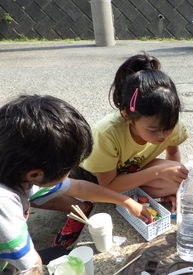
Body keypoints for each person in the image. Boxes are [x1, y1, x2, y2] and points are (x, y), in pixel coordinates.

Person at [0, 94, 152, 274]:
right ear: (35, 173)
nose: (69, 173)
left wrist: (126, 201)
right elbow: (31, 267)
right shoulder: (5, 204)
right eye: (68, 169)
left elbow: (79, 187)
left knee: (61, 253)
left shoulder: (18, 170)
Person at [70, 54, 188, 208]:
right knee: (162, 175)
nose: (163, 135)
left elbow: (172, 154)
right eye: (153, 130)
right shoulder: (107, 133)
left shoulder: (170, 121)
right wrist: (158, 172)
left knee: (178, 181)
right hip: (93, 179)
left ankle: (134, 192)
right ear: (128, 117)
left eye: (169, 127)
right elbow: (108, 184)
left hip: (131, 171)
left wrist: (171, 188)